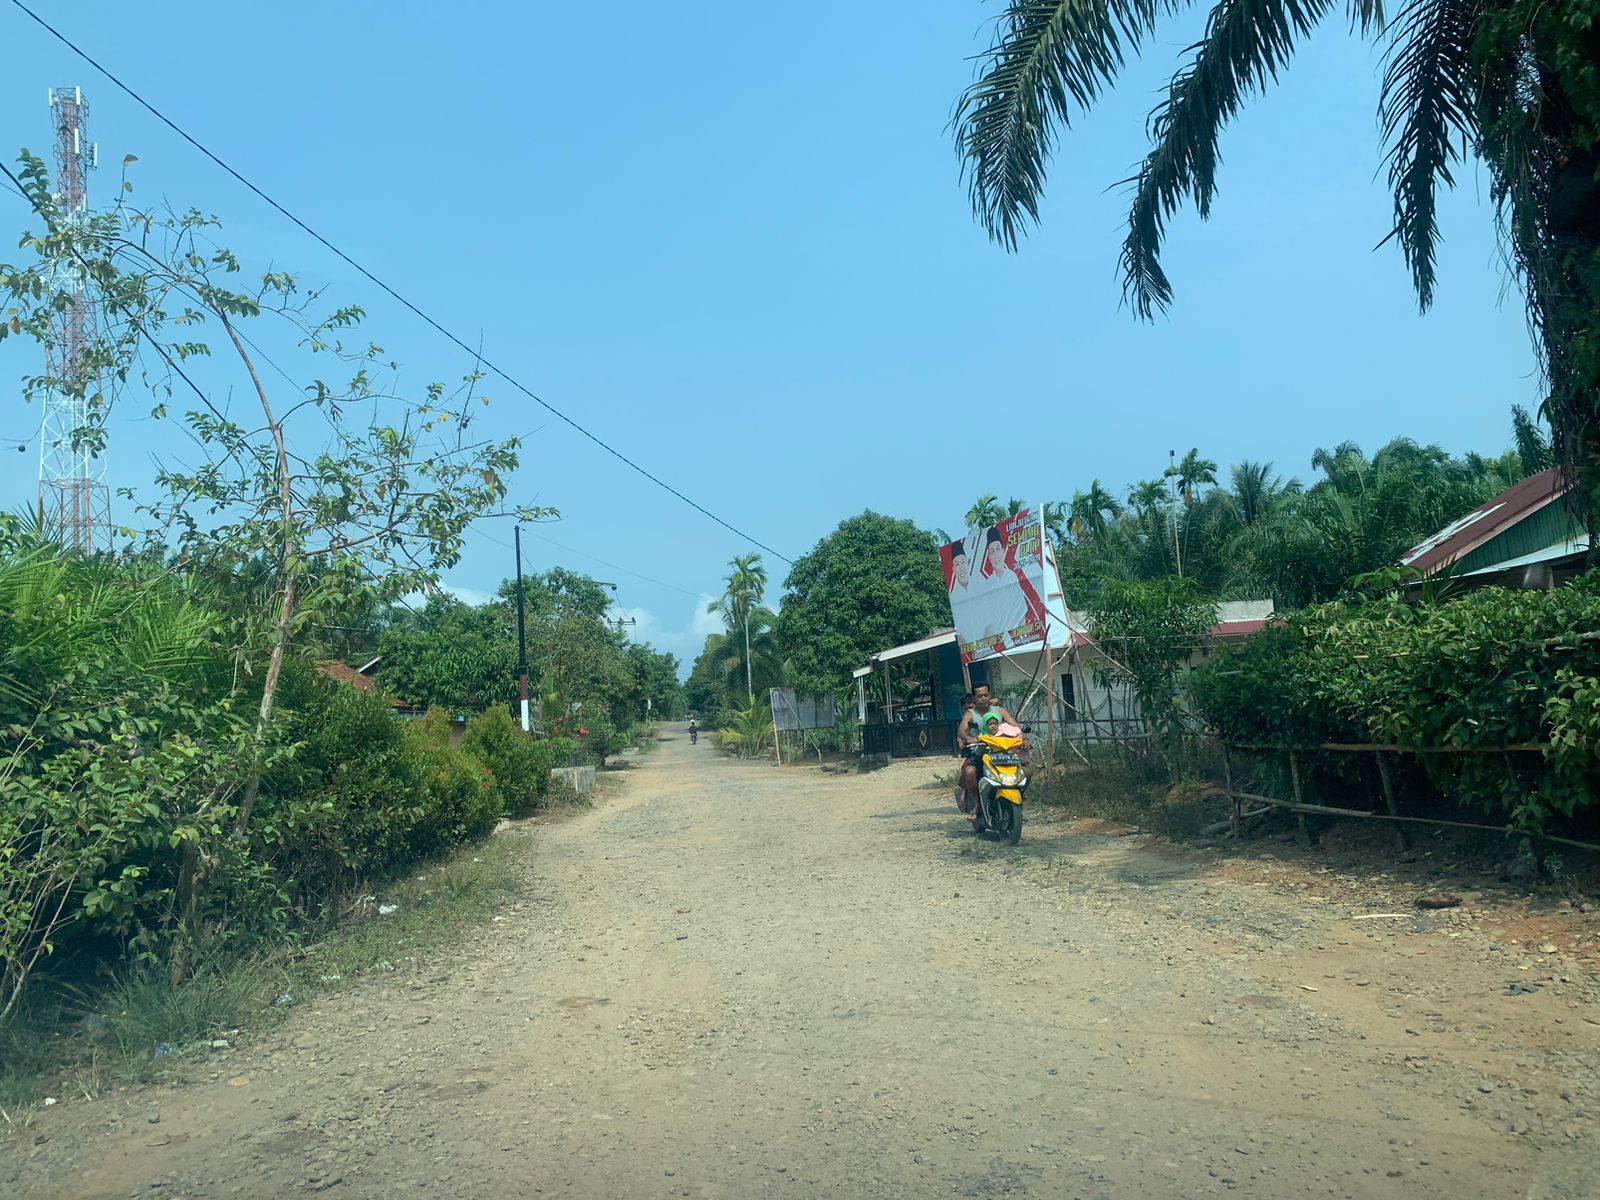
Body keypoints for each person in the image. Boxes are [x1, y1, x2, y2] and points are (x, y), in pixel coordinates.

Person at [956, 683, 1025, 819]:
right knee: (969, 772)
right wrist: (969, 738)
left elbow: (1016, 726)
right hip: (980, 753)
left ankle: (1020, 801)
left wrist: (1024, 739)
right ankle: (977, 805)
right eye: (979, 696)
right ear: (974, 698)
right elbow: (961, 731)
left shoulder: (999, 711)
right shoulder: (971, 714)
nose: (983, 698)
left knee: (1026, 771)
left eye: (986, 695)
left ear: (990, 695)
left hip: (1002, 753)